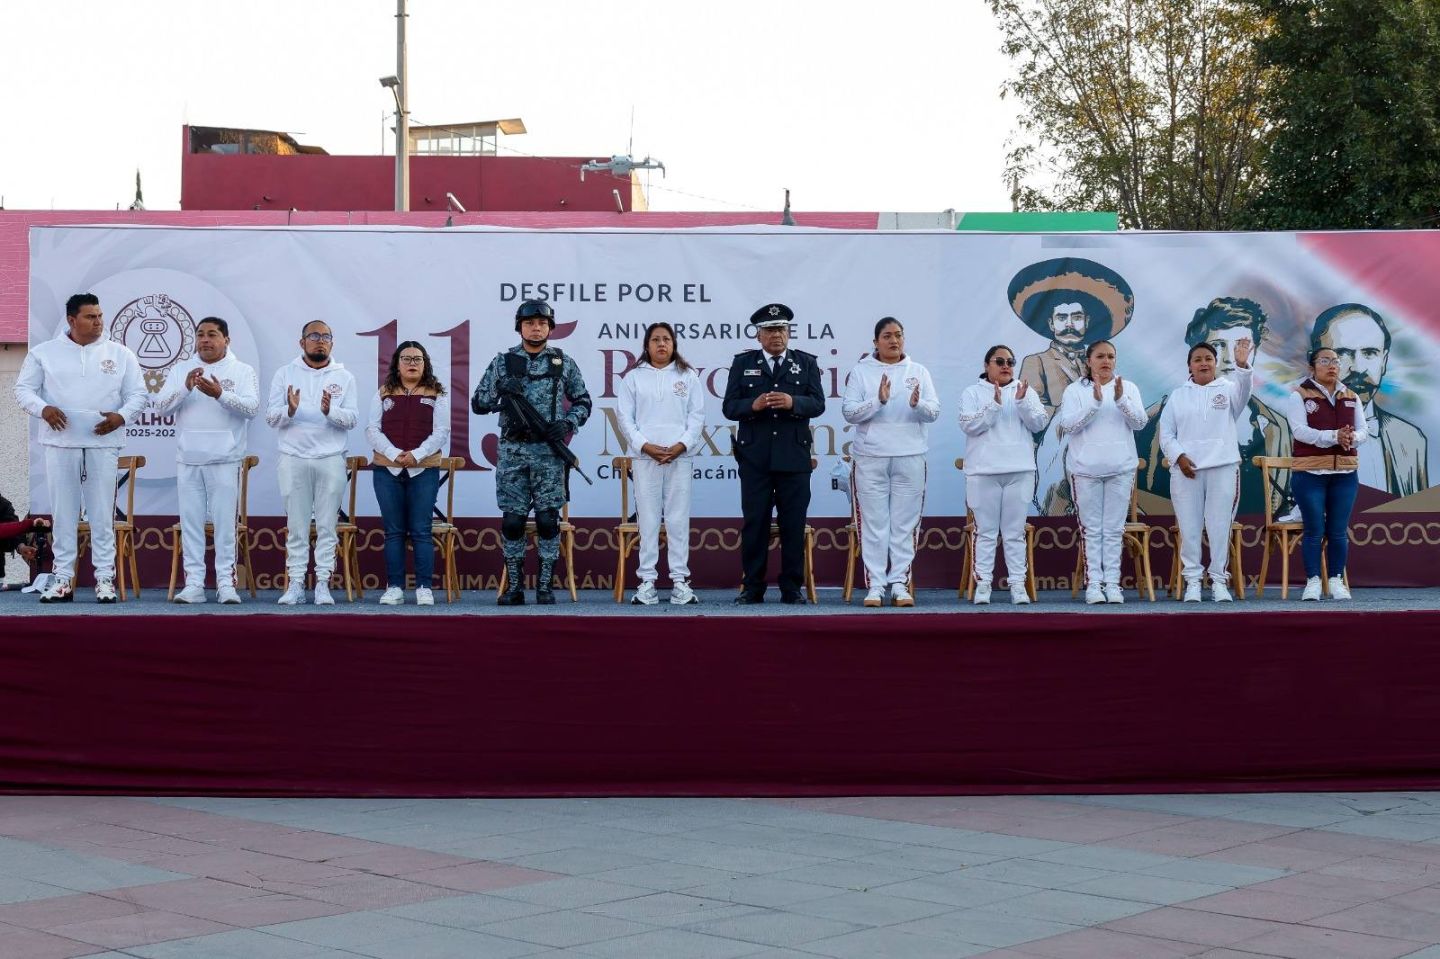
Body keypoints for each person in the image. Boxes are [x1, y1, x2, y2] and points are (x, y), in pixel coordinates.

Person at [13, 293, 146, 603]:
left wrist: (121, 417)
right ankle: (63, 579)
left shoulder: (121, 353)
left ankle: (104, 579)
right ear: (72, 320)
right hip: (61, 442)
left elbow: (138, 394)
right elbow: (23, 390)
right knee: (65, 513)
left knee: (102, 513)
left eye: (100, 315)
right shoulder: (44, 353)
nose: (98, 322)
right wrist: (43, 409)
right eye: (90, 317)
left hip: (103, 441)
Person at [472, 299, 592, 605]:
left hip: (549, 453)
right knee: (512, 521)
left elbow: (583, 401)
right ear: (520, 327)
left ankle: (545, 586)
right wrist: (502, 390)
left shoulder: (563, 363)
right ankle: (514, 586)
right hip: (513, 451)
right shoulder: (502, 362)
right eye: (529, 323)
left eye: (542, 323)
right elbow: (479, 403)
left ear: (550, 328)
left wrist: (567, 424)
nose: (535, 328)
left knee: (548, 520)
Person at [1138, 298, 1290, 516]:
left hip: (1255, 541)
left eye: (1239, 346)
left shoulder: (1279, 426)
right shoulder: (1153, 423)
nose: (1229, 358)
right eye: (1218, 346)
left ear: (1254, 350)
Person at [1008, 258, 1136, 515]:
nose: (1069, 324)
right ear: (1051, 324)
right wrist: (1076, 409)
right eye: (1062, 317)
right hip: (1055, 444)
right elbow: (1035, 411)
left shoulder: (1100, 365)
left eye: (1076, 317)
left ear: (1086, 322)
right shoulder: (1037, 362)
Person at [148, 317, 259, 605]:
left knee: (224, 525)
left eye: (212, 334)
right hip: (189, 459)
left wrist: (221, 394)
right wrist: (184, 388)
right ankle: (194, 584)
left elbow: (252, 408)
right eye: (200, 335)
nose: (205, 340)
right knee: (192, 524)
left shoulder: (242, 370)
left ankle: (226, 584)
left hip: (225, 459)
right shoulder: (181, 369)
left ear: (227, 340)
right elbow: (160, 408)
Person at [722, 303, 827, 605]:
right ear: (759, 335)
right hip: (755, 458)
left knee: (793, 523)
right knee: (755, 523)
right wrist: (751, 406)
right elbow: (729, 407)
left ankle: (792, 588)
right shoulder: (743, 364)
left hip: (794, 457)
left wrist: (793, 402)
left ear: (789, 332)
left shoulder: (805, 363)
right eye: (770, 330)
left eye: (781, 329)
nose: (776, 335)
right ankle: (752, 587)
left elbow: (818, 403)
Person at [841, 317, 940, 608]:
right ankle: (875, 586)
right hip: (870, 457)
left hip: (909, 455)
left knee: (904, 524)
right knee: (873, 523)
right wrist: (877, 401)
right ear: (875, 342)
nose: (894, 341)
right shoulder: (861, 372)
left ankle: (899, 583)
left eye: (898, 335)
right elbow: (849, 412)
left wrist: (916, 404)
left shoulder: (918, 371)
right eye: (887, 336)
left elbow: (933, 412)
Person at [265, 320, 358, 605]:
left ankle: (322, 584)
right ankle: (295, 584)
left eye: (326, 336)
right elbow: (271, 418)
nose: (320, 341)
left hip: (330, 459)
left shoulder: (344, 377)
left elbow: (352, 419)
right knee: (297, 525)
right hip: (293, 458)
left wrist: (331, 412)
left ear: (332, 342)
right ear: (301, 342)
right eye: (314, 336)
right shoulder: (285, 373)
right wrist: (289, 410)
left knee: (328, 526)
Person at [617, 322, 706, 605]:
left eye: (666, 339)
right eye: (655, 339)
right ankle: (647, 582)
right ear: (646, 345)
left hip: (680, 456)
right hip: (645, 457)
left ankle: (680, 582)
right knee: (649, 520)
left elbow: (697, 416)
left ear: (674, 344)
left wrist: (681, 446)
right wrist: (645, 446)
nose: (661, 344)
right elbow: (625, 418)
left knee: (678, 519)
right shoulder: (633, 378)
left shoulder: (687, 376)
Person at [1158, 339, 1253, 603]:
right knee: (1189, 528)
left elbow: (1245, 391)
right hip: (1187, 470)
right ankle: (1193, 582)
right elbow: (1166, 433)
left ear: (1215, 364)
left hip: (1222, 467)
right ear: (1189, 365)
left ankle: (1219, 581)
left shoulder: (1229, 389)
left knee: (1219, 526)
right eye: (1198, 359)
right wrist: (1179, 457)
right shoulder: (1178, 395)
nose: (1203, 363)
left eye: (1208, 359)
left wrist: (1243, 365)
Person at [1057, 340, 1147, 604]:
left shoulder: (1127, 388)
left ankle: (1113, 584)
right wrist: (1094, 403)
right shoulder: (1075, 390)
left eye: (1110, 356)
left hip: (1120, 468)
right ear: (1089, 360)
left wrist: (1120, 401)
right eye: (1100, 356)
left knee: (1113, 529)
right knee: (1091, 530)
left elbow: (1140, 422)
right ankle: (1094, 584)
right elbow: (1069, 426)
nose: (1105, 361)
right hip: (1085, 471)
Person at [958, 345, 1048, 605]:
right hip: (983, 471)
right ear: (987, 365)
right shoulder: (972, 392)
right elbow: (969, 426)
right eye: (1000, 361)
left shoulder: (1024, 391)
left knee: (1014, 532)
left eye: (1010, 361)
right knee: (985, 531)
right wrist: (994, 407)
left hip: (1019, 470)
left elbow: (1039, 424)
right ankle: (983, 584)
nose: (1006, 365)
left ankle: (1017, 585)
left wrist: (1021, 403)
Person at [365, 341, 451, 606]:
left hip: (423, 469)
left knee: (421, 530)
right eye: (406, 358)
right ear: (397, 363)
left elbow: (441, 431)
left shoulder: (437, 392)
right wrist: (393, 454)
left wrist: (416, 454)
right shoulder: (383, 392)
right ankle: (394, 588)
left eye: (417, 358)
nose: (412, 363)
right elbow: (371, 429)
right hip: (387, 469)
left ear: (425, 363)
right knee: (393, 531)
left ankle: (424, 587)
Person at [1311, 304, 1426, 497]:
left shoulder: (1411, 439)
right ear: (1315, 362)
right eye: (1342, 353)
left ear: (1384, 361)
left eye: (1370, 353)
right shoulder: (1290, 433)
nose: (1358, 367)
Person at [1281, 347, 1367, 601]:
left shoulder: (1351, 395)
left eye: (1335, 361)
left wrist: (1352, 437)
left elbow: (1364, 431)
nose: (1332, 365)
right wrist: (1333, 436)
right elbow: (1299, 431)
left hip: (1345, 474)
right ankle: (1313, 581)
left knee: (1338, 531)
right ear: (1312, 367)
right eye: (1325, 360)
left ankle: (1336, 579)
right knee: (1314, 530)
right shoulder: (1299, 395)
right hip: (1310, 474)